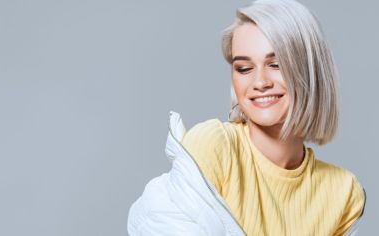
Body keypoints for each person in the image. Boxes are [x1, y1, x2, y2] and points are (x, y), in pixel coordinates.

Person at [127, 0, 366, 235]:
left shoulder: (343, 192)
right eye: (244, 68)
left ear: (310, 70)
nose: (260, 82)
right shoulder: (215, 147)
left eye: (277, 64)